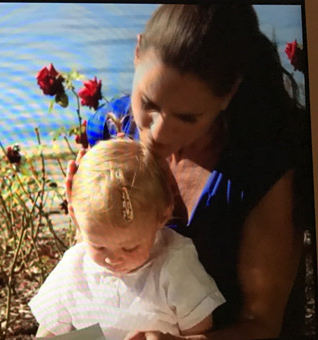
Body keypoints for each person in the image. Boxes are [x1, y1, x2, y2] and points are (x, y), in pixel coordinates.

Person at [65, 4, 312, 339]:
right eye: (149, 103)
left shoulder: (262, 168)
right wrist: (82, 215)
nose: (158, 132)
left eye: (187, 117)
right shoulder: (112, 129)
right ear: (137, 53)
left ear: (228, 94)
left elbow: (264, 325)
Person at [29, 139, 226, 339]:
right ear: (74, 216)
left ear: (163, 215)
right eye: (99, 247)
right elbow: (47, 333)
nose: (112, 259)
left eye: (130, 248)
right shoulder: (74, 267)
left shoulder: (175, 264)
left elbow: (202, 333)